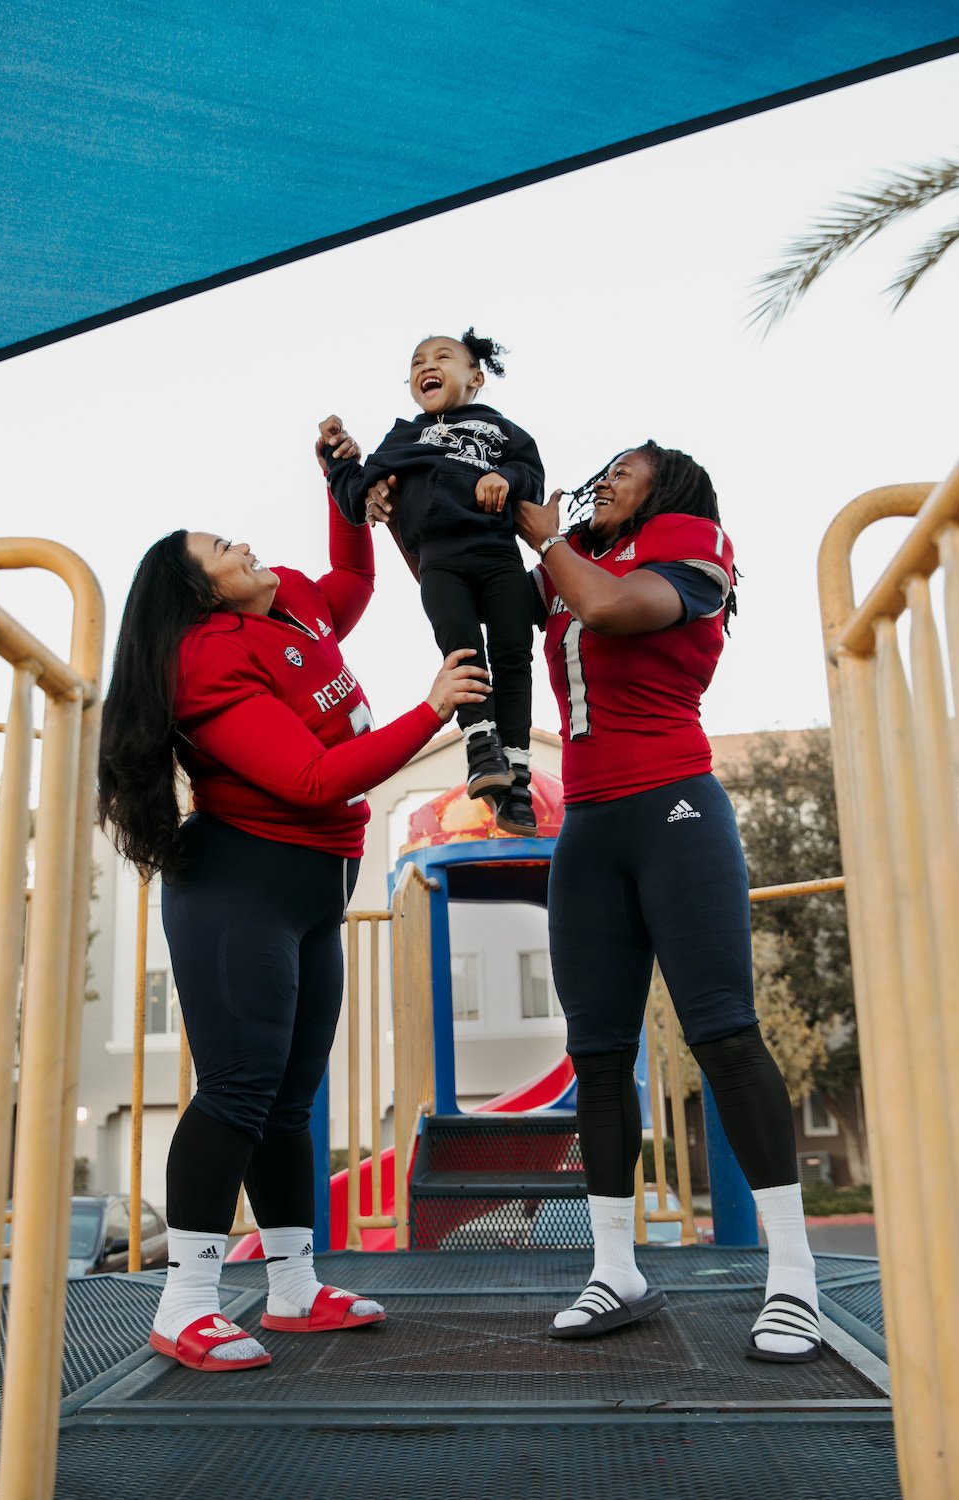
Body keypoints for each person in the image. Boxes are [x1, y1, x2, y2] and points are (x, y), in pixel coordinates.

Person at [97, 420, 490, 1373]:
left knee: (289, 1101)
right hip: (243, 881)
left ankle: (291, 1288)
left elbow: (349, 584)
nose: (242, 546)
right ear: (199, 592)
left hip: (319, 881)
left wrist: (344, 494)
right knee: (238, 1090)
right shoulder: (204, 657)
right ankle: (184, 1302)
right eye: (220, 550)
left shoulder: (294, 608)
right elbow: (312, 780)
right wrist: (429, 710)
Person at [515, 441, 821, 1363]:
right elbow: (477, 588)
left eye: (625, 468)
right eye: (600, 467)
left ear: (668, 489)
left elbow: (611, 608)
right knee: (596, 1056)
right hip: (589, 827)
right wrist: (405, 498)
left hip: (673, 808)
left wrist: (541, 536)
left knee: (722, 1032)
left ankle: (794, 1276)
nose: (604, 477)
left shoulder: (687, 542)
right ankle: (616, 1267)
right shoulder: (580, 559)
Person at [323, 328, 544, 836]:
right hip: (441, 562)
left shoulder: (502, 432)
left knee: (514, 654)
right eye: (418, 360)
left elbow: (531, 473)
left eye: (444, 356)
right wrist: (339, 458)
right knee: (463, 650)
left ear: (476, 377)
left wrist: (505, 478)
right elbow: (357, 495)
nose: (429, 363)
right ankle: (482, 746)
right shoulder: (403, 438)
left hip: (499, 557)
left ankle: (518, 778)